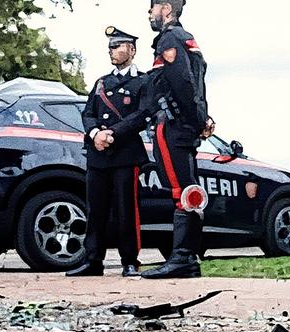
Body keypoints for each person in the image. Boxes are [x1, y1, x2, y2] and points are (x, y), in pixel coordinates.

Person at [103, 0, 209, 279]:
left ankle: (183, 259)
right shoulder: (187, 39)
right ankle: (187, 258)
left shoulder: (170, 38)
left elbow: (183, 83)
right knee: (189, 190)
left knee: (180, 191)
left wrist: (194, 119)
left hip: (172, 125)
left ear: (165, 8)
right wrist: (201, 118)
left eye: (152, 8)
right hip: (185, 124)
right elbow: (198, 83)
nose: (149, 14)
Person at [66, 26, 148, 277]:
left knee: (126, 210)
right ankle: (93, 260)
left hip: (125, 154)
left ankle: (130, 261)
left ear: (131, 50)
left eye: (117, 46)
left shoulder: (143, 81)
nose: (111, 51)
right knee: (96, 209)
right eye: (110, 47)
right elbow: (88, 113)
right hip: (98, 153)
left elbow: (142, 115)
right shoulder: (102, 82)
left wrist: (112, 134)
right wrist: (95, 134)